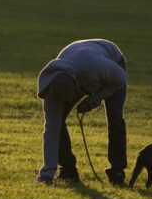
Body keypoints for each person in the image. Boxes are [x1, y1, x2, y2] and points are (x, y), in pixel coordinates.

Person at [36, 39, 127, 186]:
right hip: (78, 65)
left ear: (76, 88)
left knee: (115, 118)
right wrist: (46, 174)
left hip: (111, 62)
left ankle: (117, 171)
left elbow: (120, 79)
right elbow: (51, 130)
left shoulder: (95, 67)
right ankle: (68, 171)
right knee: (57, 124)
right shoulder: (51, 88)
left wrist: (93, 100)